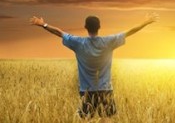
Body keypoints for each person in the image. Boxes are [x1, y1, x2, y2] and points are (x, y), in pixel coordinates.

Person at [29, 13, 158, 121]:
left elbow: (59, 33)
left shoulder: (78, 43)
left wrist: (43, 24)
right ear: (100, 27)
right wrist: (146, 22)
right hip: (105, 90)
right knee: (107, 120)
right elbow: (129, 32)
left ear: (85, 27)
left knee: (85, 119)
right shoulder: (108, 42)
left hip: (86, 91)